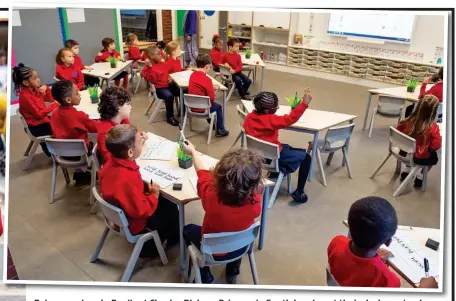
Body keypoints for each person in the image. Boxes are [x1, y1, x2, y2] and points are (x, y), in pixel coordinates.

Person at [181, 141, 264, 284]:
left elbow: (202, 174)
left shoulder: (212, 198)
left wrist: (193, 152)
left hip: (213, 252)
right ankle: (233, 269)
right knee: (238, 231)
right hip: (241, 247)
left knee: (187, 230)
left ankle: (204, 273)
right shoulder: (255, 203)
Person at [99, 124, 180, 258]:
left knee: (166, 203)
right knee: (171, 208)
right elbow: (141, 211)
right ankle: (161, 243)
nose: (142, 143)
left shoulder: (109, 165)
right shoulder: (126, 178)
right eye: (140, 143)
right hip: (135, 222)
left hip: (118, 212)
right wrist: (153, 195)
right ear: (130, 153)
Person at [328, 196, 438, 288]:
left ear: (350, 228)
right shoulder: (387, 281)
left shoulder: (337, 242)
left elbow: (353, 270)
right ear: (388, 242)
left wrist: (375, 262)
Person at [243, 91, 312, 204]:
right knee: (306, 157)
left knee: (287, 147)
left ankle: (274, 172)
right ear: (268, 110)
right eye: (275, 108)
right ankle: (299, 192)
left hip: (257, 156)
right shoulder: (270, 120)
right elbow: (291, 118)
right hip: (273, 159)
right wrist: (304, 103)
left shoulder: (249, 118)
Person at [13, 63, 59, 157]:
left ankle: (54, 148)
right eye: (35, 78)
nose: (38, 80)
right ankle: (55, 151)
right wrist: (54, 105)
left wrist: (47, 89)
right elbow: (38, 114)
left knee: (61, 119)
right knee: (61, 126)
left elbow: (50, 99)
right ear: (26, 82)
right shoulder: (25, 96)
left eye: (37, 77)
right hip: (36, 127)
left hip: (42, 121)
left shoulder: (34, 89)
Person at [398, 95, 442, 188]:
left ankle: (406, 170)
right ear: (433, 112)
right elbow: (436, 145)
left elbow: (399, 131)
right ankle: (420, 177)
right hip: (418, 157)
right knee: (433, 158)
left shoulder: (407, 121)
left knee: (411, 147)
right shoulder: (433, 127)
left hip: (403, 152)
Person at [96, 87, 148, 164]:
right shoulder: (106, 133)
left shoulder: (123, 120)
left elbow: (132, 133)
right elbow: (111, 161)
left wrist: (140, 135)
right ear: (118, 108)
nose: (131, 107)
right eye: (128, 104)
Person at [188, 53, 229, 137]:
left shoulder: (192, 75)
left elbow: (199, 86)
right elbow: (212, 99)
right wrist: (213, 89)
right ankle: (220, 129)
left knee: (206, 102)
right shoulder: (207, 80)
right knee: (218, 107)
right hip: (203, 109)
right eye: (210, 67)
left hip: (191, 107)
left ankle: (212, 122)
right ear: (207, 67)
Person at [142, 46, 180, 126]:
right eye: (158, 54)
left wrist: (169, 78)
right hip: (159, 89)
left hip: (167, 85)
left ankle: (182, 111)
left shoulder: (161, 63)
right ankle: (170, 117)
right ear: (152, 56)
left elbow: (165, 74)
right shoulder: (147, 68)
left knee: (182, 90)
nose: (161, 55)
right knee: (169, 96)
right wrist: (150, 68)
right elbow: (153, 80)